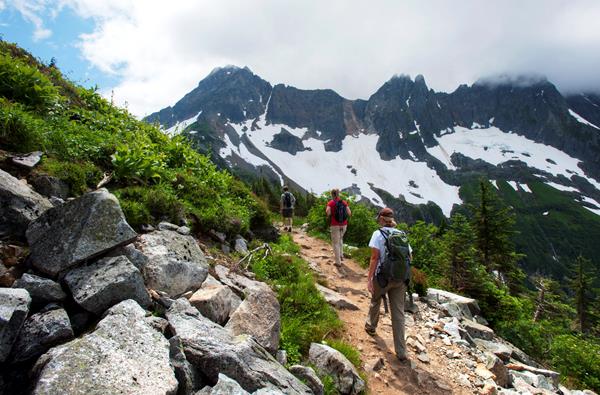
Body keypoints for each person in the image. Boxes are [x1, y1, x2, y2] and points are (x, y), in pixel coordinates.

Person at [365, 207, 412, 362]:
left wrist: (369, 278)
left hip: (383, 277)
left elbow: (374, 258)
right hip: (400, 279)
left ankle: (371, 326)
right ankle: (401, 351)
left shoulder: (378, 234)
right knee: (398, 313)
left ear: (381, 219)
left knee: (376, 299)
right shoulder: (402, 234)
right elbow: (409, 257)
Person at [325, 189, 351, 270]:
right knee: (340, 239)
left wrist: (330, 214)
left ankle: (338, 262)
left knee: (335, 243)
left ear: (331, 194)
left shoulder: (331, 203)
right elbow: (349, 213)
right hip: (344, 225)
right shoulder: (344, 202)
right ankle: (341, 255)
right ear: (338, 194)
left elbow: (328, 212)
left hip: (335, 225)